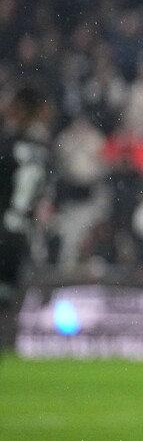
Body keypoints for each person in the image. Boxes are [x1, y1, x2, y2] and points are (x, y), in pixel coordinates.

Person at [0, 85, 53, 306]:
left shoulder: (7, 146)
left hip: (5, 225)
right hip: (23, 233)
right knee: (10, 298)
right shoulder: (44, 149)